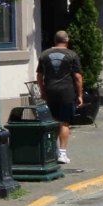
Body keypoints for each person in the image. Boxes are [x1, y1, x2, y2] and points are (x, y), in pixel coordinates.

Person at [37, 30, 85, 164]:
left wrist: (42, 90)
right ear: (67, 40)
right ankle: (62, 153)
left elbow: (40, 75)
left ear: (55, 40)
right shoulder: (71, 55)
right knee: (64, 122)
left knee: (52, 121)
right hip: (66, 92)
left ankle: (50, 151)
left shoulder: (44, 55)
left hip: (50, 91)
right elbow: (77, 77)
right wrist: (80, 95)